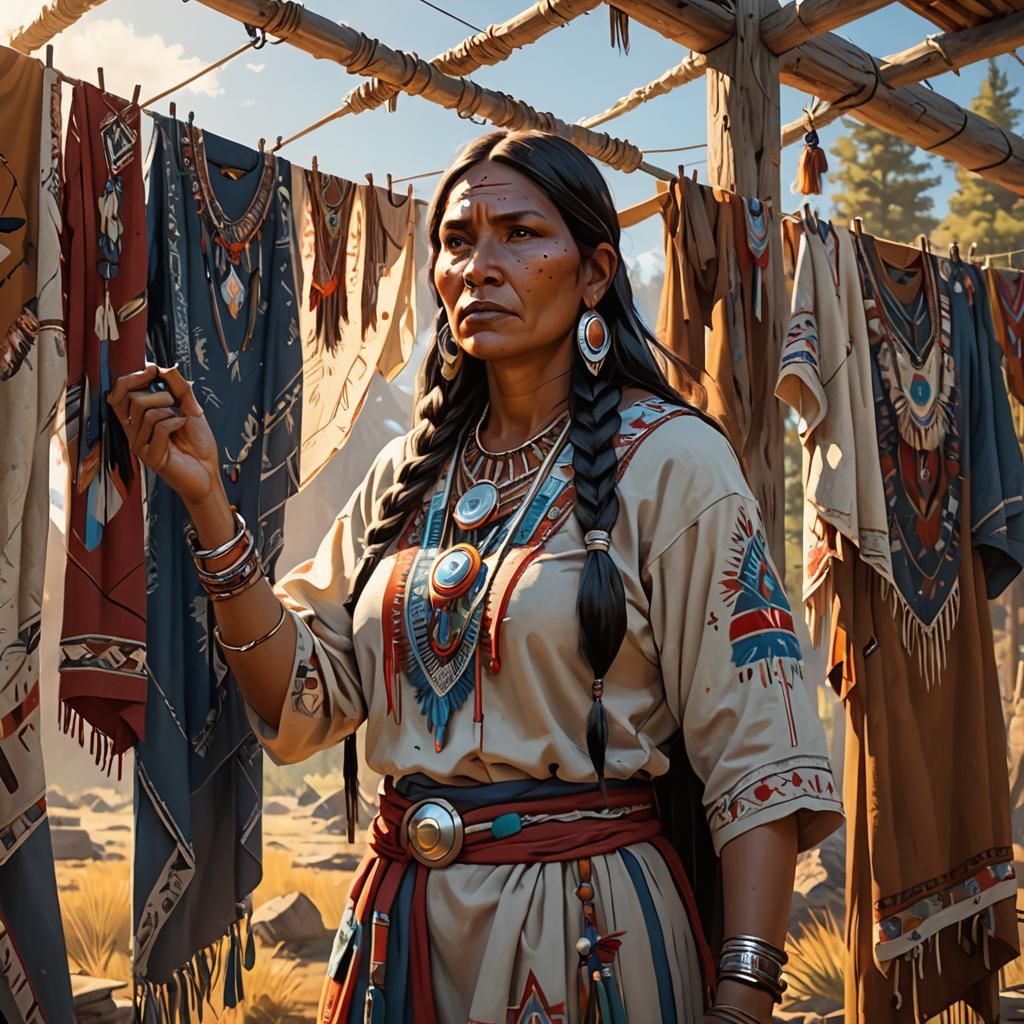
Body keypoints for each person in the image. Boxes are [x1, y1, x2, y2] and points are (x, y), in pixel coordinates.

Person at [109, 130, 842, 1024]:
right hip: (400, 938)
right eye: (458, 241)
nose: (479, 266)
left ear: (596, 272)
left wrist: (743, 999)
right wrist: (208, 502)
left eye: (521, 234)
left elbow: (758, 762)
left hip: (586, 944)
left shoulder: (675, 462)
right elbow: (302, 706)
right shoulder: (406, 475)